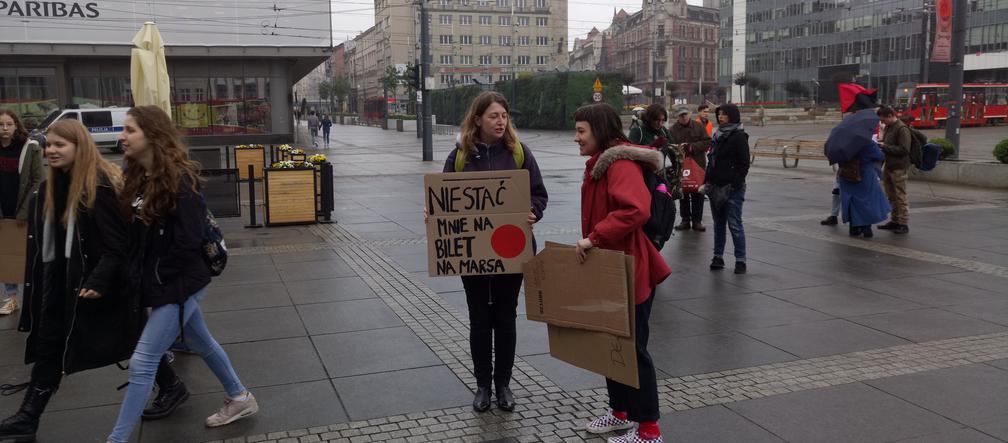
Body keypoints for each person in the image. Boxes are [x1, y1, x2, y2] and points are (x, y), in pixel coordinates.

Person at [0, 120, 182, 442]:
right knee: (50, 346)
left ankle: (172, 386)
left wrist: (98, 281)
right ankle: (28, 418)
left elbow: (118, 245)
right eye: (49, 145)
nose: (51, 151)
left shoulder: (98, 186)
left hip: (98, 286)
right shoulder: (51, 186)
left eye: (60, 145)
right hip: (62, 282)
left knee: (129, 341)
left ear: (79, 147)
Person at [107, 106, 257, 443]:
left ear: (153, 135)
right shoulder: (137, 175)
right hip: (162, 281)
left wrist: (160, 278)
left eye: (130, 130)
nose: (122, 136)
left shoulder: (180, 179)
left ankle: (116, 440)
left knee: (143, 362)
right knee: (202, 341)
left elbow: (188, 241)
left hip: (181, 282)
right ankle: (240, 398)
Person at [435, 91, 548, 413]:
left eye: (504, 116)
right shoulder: (459, 157)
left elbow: (539, 194)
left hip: (511, 251)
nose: (500, 122)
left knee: (505, 317)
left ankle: (503, 385)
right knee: (479, 319)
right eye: (494, 116)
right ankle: (482, 385)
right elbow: (442, 199)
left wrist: (533, 212)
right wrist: (435, 214)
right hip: (471, 254)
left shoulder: (518, 153)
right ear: (478, 119)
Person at [575, 103, 671, 443]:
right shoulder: (602, 163)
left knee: (632, 349)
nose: (576, 138)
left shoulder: (620, 163)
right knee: (611, 343)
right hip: (611, 266)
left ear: (599, 130)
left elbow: (636, 209)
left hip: (630, 268)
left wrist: (594, 238)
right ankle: (620, 414)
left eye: (581, 131)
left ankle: (649, 431)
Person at [0, 110, 44, 315]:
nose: (5, 128)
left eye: (9, 124)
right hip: (3, 211)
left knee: (30, 253)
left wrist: (26, 210)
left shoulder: (30, 147)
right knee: (6, 255)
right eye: (1, 125)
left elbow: (38, 181)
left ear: (16, 125)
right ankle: (13, 298)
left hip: (24, 211)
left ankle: (36, 296)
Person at [704, 104, 750, 274]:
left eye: (724, 114)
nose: (720, 117)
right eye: (719, 114)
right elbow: (712, 160)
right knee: (718, 225)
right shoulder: (717, 134)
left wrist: (735, 183)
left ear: (732, 116)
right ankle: (718, 256)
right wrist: (708, 180)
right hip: (715, 186)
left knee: (734, 224)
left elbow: (744, 163)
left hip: (732, 188)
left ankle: (740, 260)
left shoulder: (738, 136)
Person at [669, 107, 712, 232]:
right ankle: (685, 220)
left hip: (698, 165)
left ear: (689, 114)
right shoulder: (672, 130)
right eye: (681, 115)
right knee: (684, 193)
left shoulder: (698, 126)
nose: (684, 117)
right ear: (677, 117)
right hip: (681, 166)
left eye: (685, 115)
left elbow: (708, 141)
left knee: (698, 192)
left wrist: (693, 147)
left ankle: (697, 221)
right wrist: (678, 150)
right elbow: (669, 147)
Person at [876, 106, 911, 234]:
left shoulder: (902, 129)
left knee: (900, 195)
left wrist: (885, 146)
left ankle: (903, 223)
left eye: (884, 120)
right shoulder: (889, 127)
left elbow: (904, 149)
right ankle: (894, 220)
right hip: (889, 166)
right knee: (891, 196)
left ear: (891, 115)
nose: (882, 122)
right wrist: (881, 143)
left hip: (899, 167)